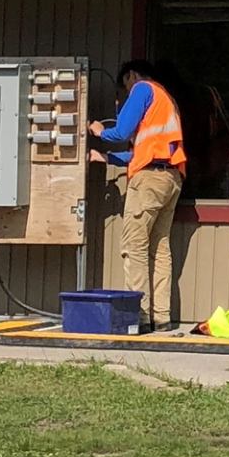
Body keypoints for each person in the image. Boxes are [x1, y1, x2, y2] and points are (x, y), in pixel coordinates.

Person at [90, 59, 185, 331]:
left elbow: (120, 131)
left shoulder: (142, 89)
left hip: (148, 181)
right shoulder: (167, 102)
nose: (126, 93)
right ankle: (162, 316)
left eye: (125, 87)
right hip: (171, 178)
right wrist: (107, 158)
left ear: (131, 76)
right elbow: (143, 151)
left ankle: (139, 317)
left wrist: (99, 131)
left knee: (135, 247)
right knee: (159, 248)